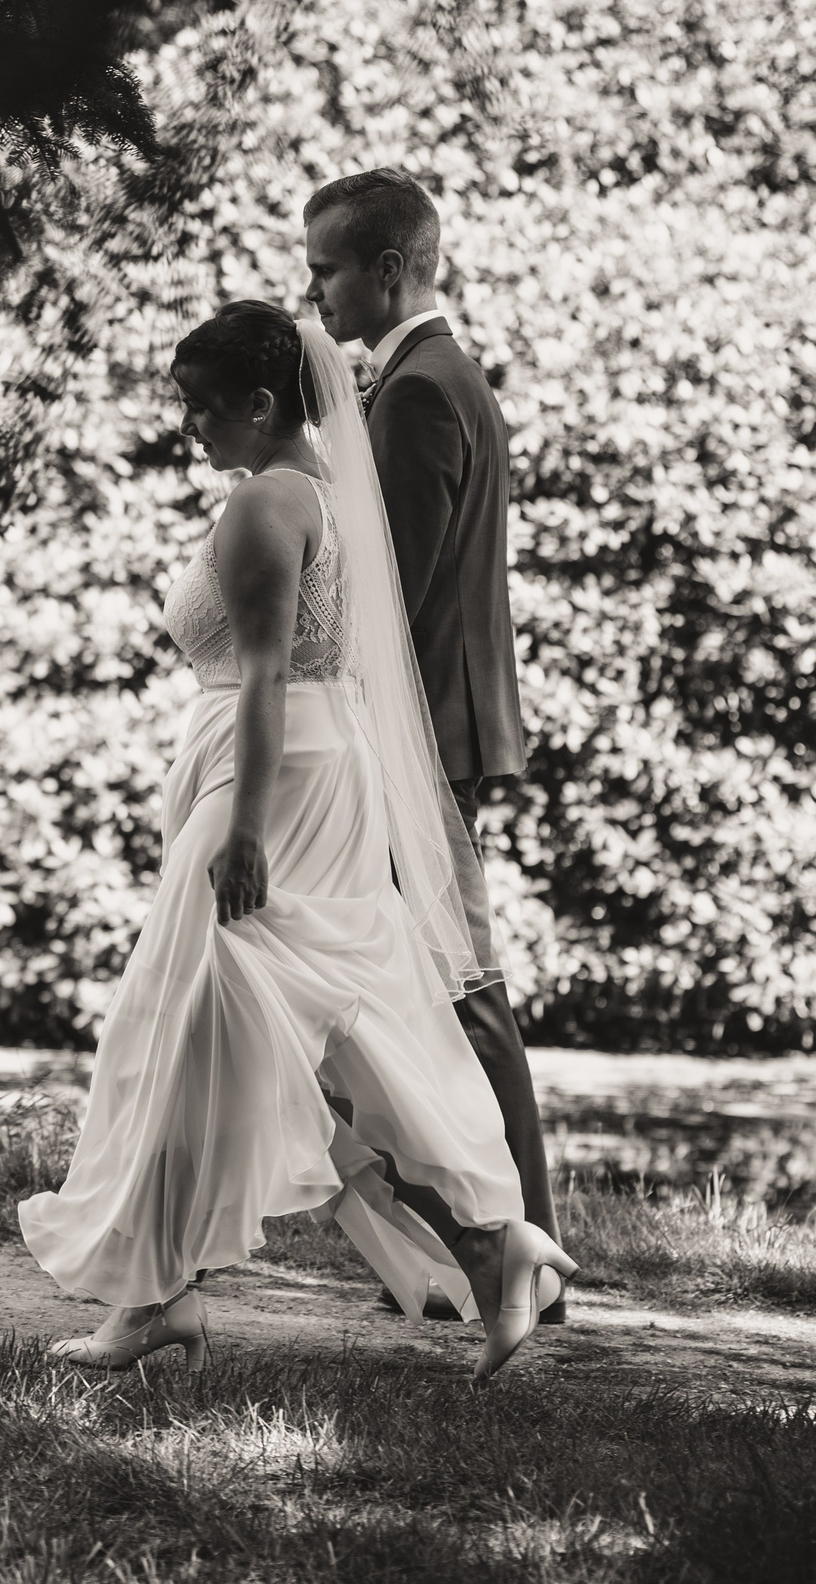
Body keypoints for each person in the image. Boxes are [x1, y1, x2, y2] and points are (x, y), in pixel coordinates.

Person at [17, 300, 574, 1381]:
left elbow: (267, 672)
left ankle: (158, 1297)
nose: (188, 428)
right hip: (321, 759)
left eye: (199, 408)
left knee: (191, 1014)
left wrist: (240, 827)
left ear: (259, 404)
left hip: (272, 776)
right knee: (313, 1010)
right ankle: (490, 1244)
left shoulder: (267, 503)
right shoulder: (327, 491)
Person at [303, 167, 565, 1324]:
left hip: (421, 733)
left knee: (462, 990)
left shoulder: (415, 392)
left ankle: (525, 1256)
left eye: (326, 268)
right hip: (437, 722)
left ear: (390, 269)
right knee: (414, 984)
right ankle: (459, 1252)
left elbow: (390, 599)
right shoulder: (433, 375)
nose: (313, 292)